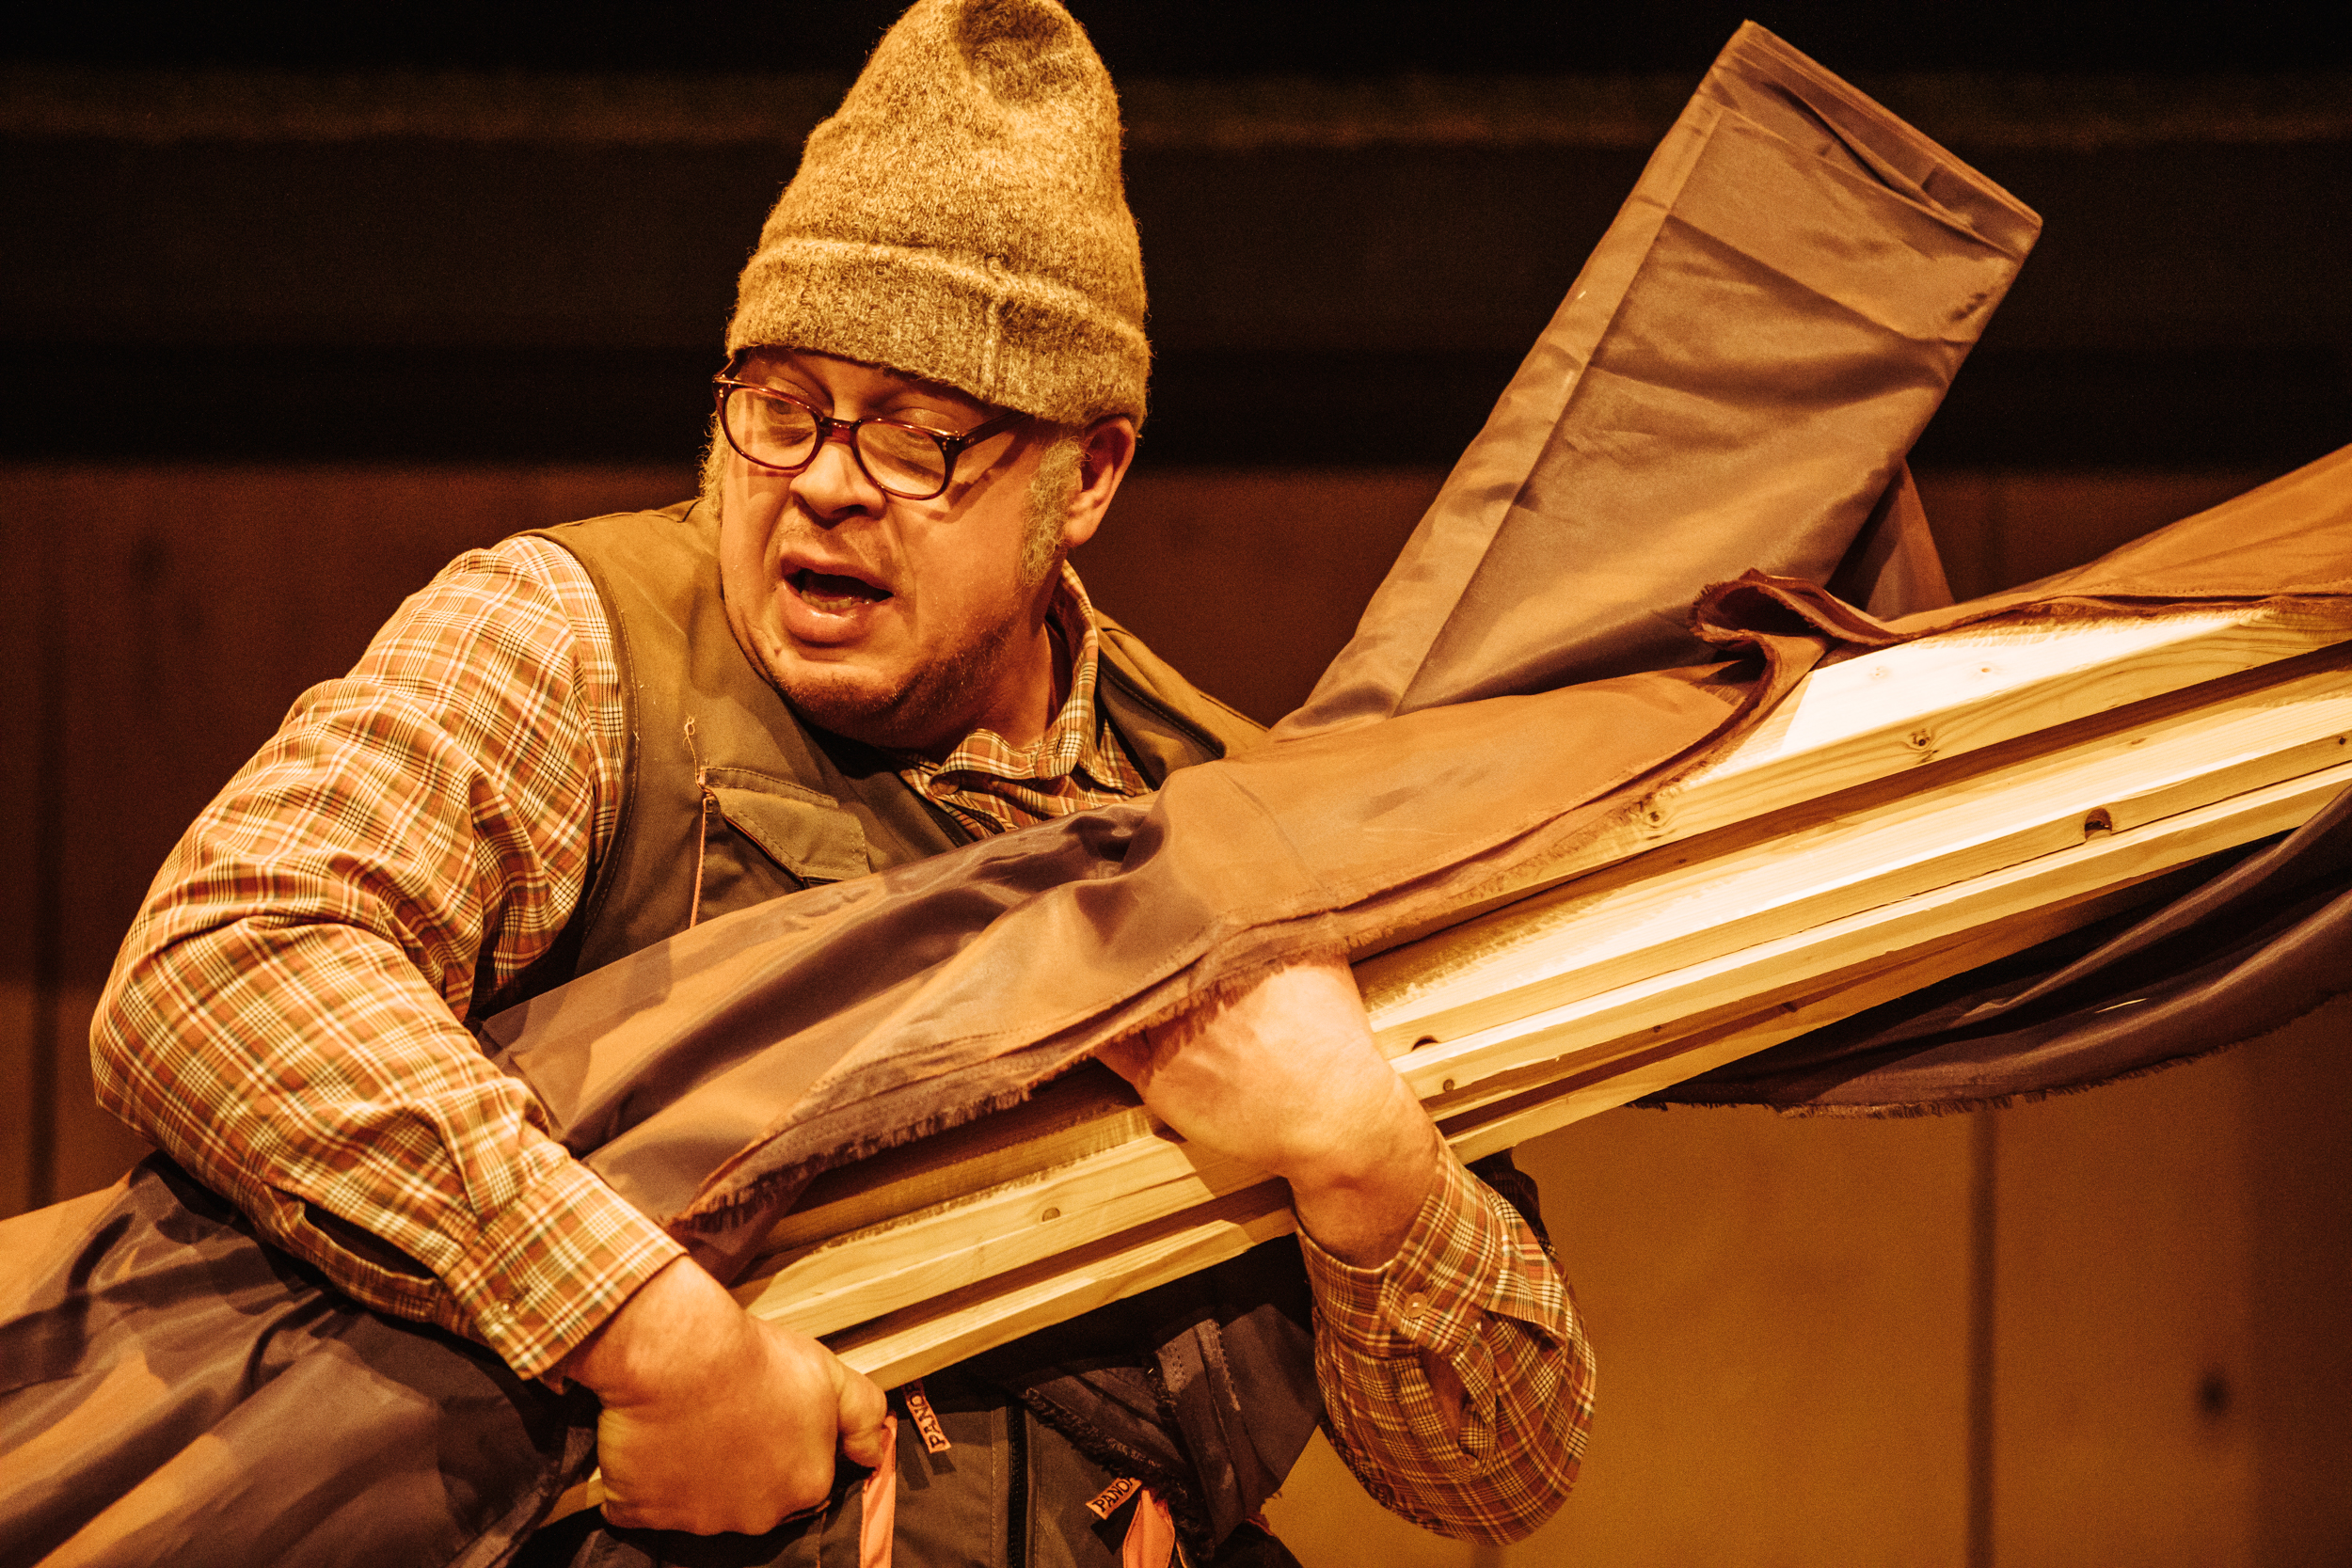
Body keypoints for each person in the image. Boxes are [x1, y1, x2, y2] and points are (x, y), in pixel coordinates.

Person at [89, 1, 1592, 1560]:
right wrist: (652, 1332)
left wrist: (1366, 1155)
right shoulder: (576, 645)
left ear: (1089, 475)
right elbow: (227, 962)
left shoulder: (1236, 824)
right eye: (781, 407)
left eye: (914, 436)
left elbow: (1499, 1474)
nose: (819, 480)